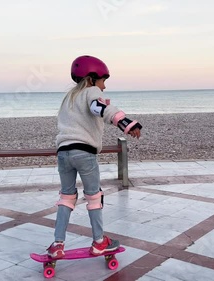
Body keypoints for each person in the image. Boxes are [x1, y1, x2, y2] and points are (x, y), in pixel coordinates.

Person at [48, 55, 142, 258]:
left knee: (66, 197)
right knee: (94, 197)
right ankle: (99, 242)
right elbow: (98, 108)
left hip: (63, 153)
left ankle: (57, 244)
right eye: (103, 81)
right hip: (84, 152)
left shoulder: (68, 99)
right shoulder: (91, 92)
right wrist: (125, 123)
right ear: (91, 79)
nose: (104, 87)